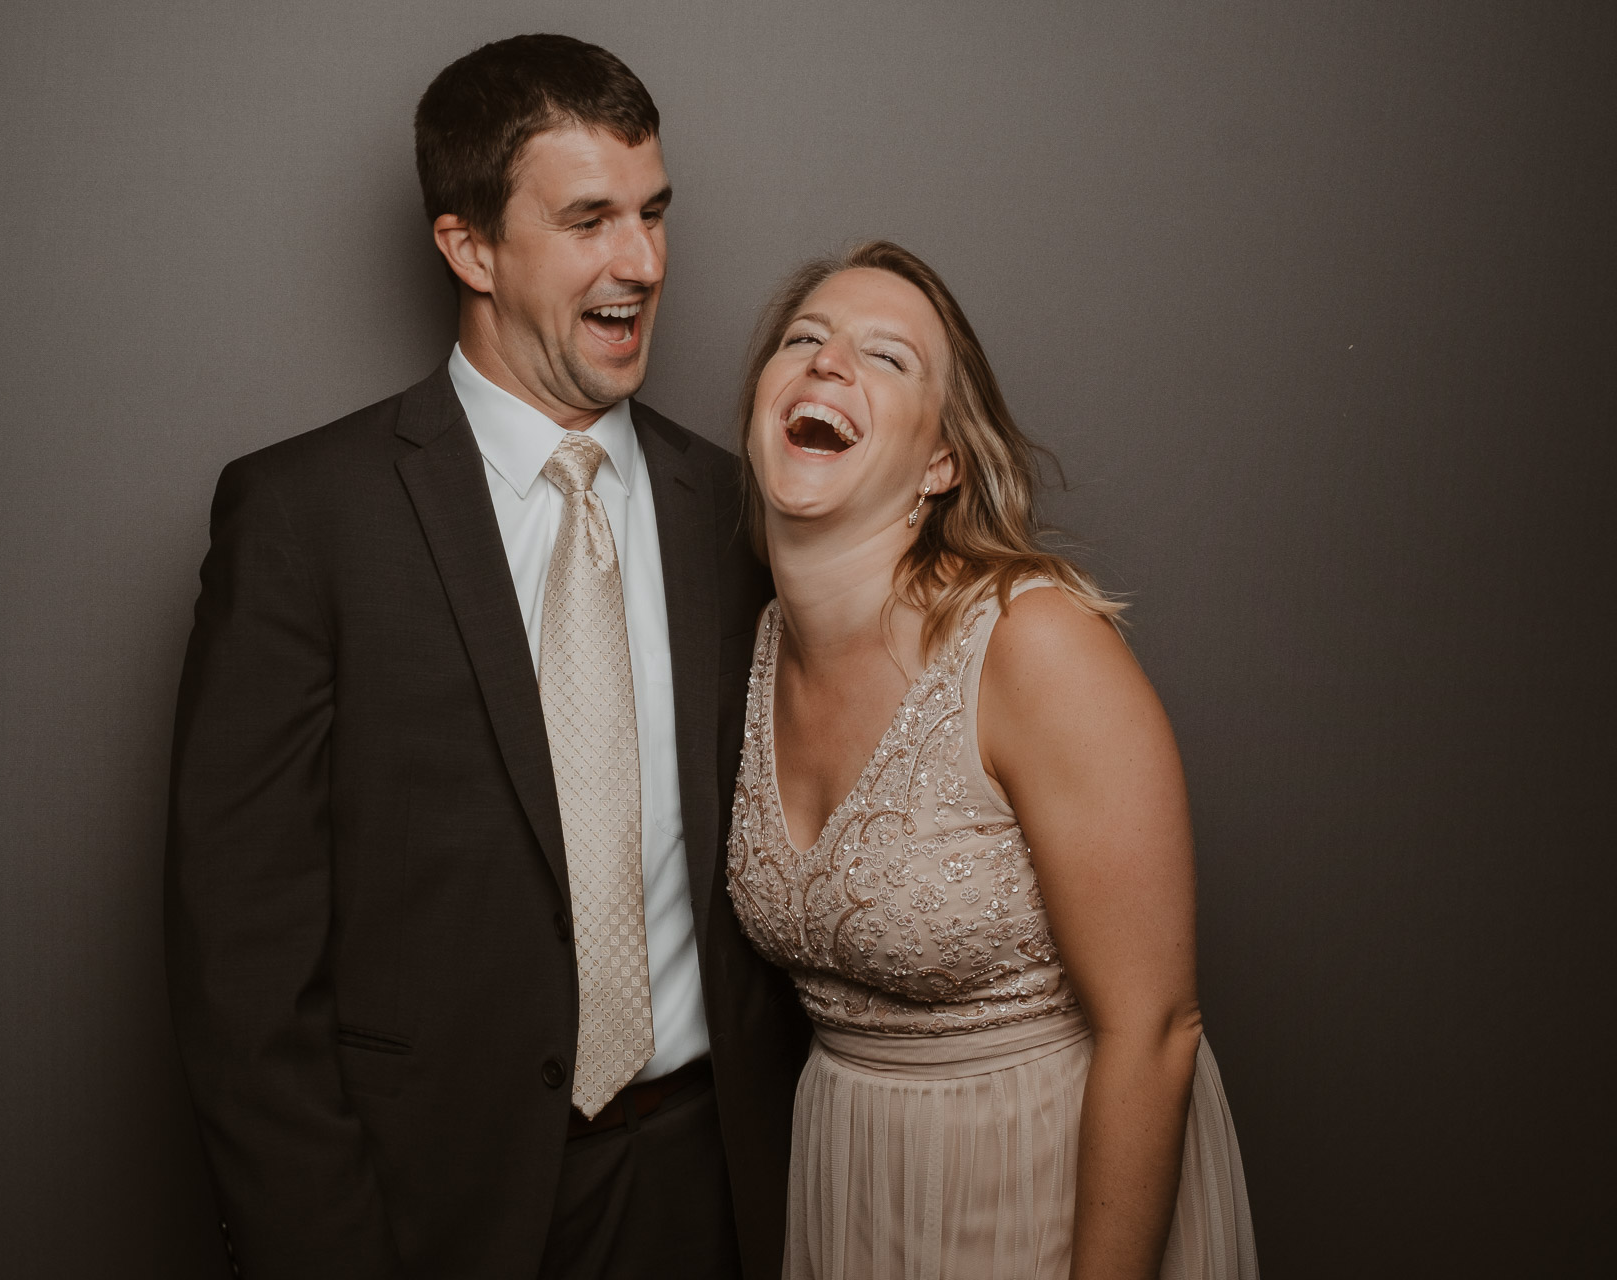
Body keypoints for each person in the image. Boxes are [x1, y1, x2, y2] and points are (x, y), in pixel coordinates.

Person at [164, 34, 808, 1280]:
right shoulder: (307, 517)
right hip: (431, 1207)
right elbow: (238, 965)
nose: (641, 261)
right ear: (467, 246)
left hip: (709, 1188)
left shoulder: (733, 512)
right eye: (587, 221)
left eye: (651, 212)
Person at [725, 241, 1257, 1279]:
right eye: (803, 339)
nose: (827, 364)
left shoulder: (1030, 643)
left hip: (1044, 1186)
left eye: (884, 358)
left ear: (941, 463)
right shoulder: (746, 650)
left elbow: (1153, 1027)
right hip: (846, 1192)